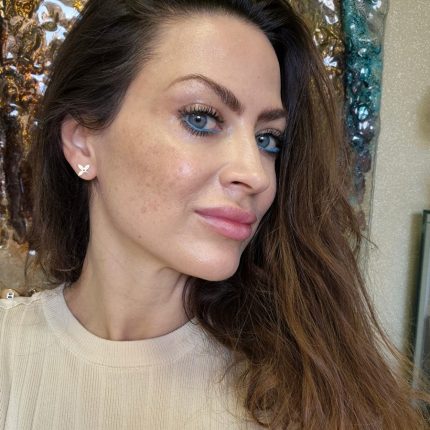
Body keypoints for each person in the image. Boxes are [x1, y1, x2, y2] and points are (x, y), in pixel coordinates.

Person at [0, 0, 428, 428]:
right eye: (202, 119)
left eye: (268, 139)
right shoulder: (9, 352)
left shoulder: (307, 398)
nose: (256, 174)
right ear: (82, 143)